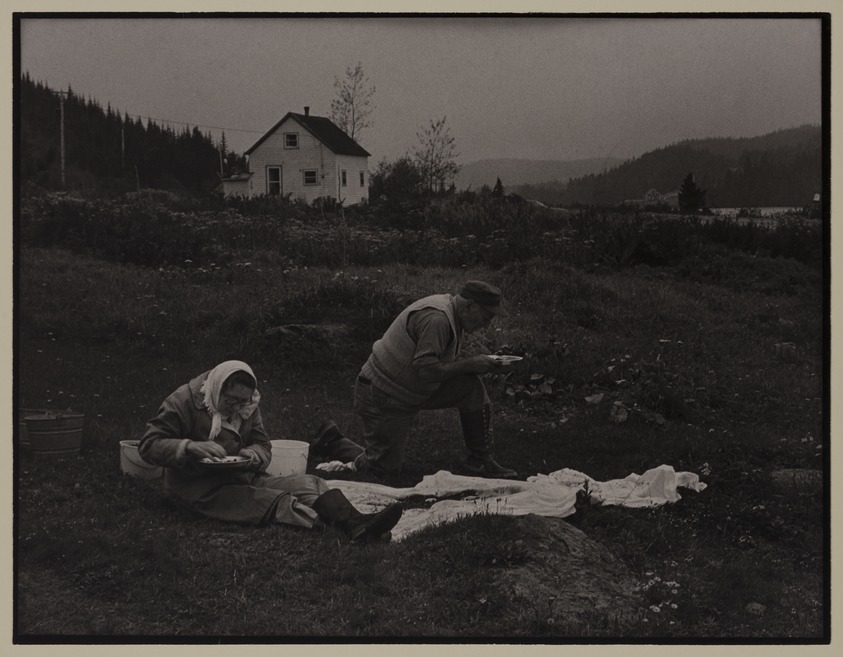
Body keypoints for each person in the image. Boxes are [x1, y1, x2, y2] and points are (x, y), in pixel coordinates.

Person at [138, 360, 402, 542]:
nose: (236, 407)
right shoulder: (183, 401)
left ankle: (358, 524)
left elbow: (263, 444)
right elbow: (148, 445)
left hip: (241, 475)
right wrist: (190, 447)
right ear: (217, 387)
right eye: (230, 400)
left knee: (311, 483)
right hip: (198, 488)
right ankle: (347, 530)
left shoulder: (248, 404)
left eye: (243, 401)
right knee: (275, 501)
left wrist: (254, 455)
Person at [309, 281, 519, 479]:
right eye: (486, 317)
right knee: (383, 469)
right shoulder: (437, 319)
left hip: (408, 389)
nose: (486, 325)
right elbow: (426, 372)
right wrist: (470, 364)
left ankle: (480, 460)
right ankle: (333, 441)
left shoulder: (452, 312)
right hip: (384, 394)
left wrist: (477, 365)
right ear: (470, 306)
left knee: (469, 387)